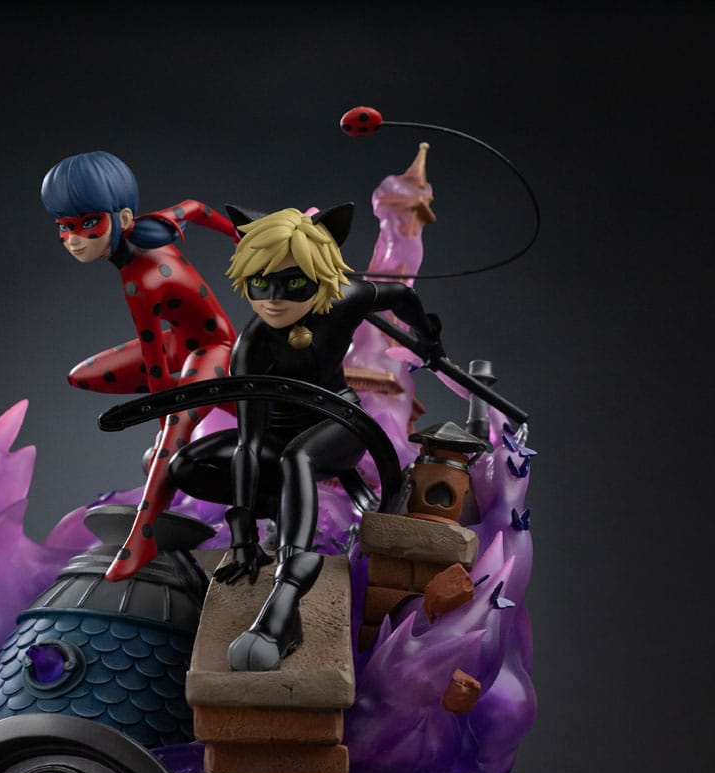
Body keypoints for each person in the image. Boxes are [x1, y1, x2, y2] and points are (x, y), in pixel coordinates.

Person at [168, 203, 441, 671]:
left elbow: (399, 295)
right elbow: (249, 443)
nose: (274, 299)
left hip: (341, 425)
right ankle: (287, 511)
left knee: (299, 458)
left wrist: (429, 338)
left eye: (292, 284)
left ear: (319, 276)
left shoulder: (346, 298)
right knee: (186, 465)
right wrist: (242, 534)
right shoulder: (253, 346)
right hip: (276, 441)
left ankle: (292, 574)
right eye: (261, 283)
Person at [41, 150, 239, 580]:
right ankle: (199, 413)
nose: (74, 239)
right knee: (82, 375)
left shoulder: (139, 282)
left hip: (215, 348)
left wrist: (167, 422)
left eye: (87, 224)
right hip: (178, 343)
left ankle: (142, 539)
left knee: (171, 437)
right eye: (64, 226)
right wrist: (238, 234)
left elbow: (155, 368)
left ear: (124, 217)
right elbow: (194, 207)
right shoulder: (154, 226)